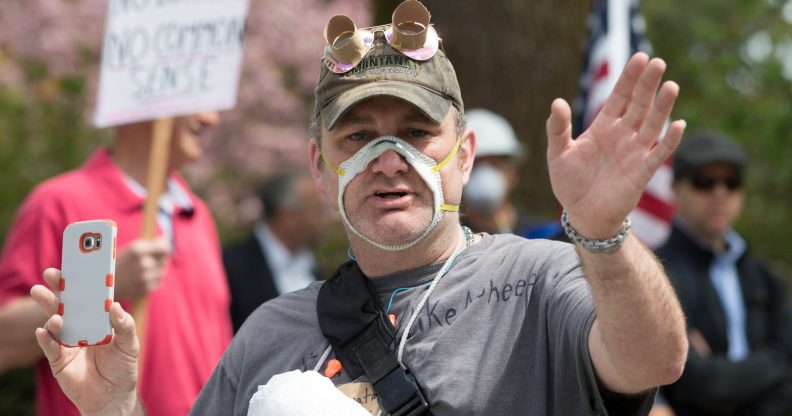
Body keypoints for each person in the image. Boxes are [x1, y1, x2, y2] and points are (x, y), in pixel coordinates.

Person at [29, 2, 688, 414]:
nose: (389, 156)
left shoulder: (543, 280)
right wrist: (115, 406)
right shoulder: (268, 332)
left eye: (417, 130)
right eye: (359, 135)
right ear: (321, 167)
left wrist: (602, 233)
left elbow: (653, 363)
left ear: (464, 154)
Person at [0, 113, 232, 416]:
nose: (211, 118)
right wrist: (97, 288)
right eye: (196, 103)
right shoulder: (58, 202)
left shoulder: (198, 214)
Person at [656, 131, 792, 416]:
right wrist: (770, 364)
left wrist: (718, 379)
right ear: (676, 188)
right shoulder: (656, 275)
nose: (720, 193)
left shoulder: (764, 278)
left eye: (731, 182)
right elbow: (698, 383)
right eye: (704, 181)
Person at [222, 170, 333, 332]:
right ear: (287, 216)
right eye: (318, 211)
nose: (327, 219)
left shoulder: (312, 266)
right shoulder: (230, 266)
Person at [461, 108, 536, 235]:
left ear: (514, 173)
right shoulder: (446, 245)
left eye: (495, 164)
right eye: (475, 164)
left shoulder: (544, 236)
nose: (484, 175)